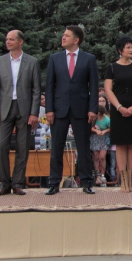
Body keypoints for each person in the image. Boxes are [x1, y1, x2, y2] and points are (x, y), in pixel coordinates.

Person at [45, 26, 99, 195]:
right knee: (56, 148)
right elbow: (49, 86)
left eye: (67, 36)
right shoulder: (54, 58)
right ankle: (54, 182)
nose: (63, 37)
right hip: (59, 109)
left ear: (76, 40)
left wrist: (92, 109)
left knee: (83, 148)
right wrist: (49, 109)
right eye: (63, 35)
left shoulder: (89, 59)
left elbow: (94, 86)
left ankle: (87, 182)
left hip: (81, 109)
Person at [0, 30, 41, 196]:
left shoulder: (32, 62)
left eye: (11, 39)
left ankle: (18, 183)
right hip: (5, 109)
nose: (8, 42)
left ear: (20, 42)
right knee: (1, 145)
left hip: (24, 109)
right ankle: (5, 183)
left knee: (22, 147)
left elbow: (36, 90)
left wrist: (34, 113)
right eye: (7, 39)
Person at [104, 36, 132, 192]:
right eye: (128, 47)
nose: (131, 50)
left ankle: (131, 181)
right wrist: (119, 107)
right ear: (120, 50)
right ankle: (123, 181)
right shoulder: (112, 67)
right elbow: (108, 89)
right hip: (118, 110)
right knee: (121, 144)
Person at [90, 105, 110, 187]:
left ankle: (102, 175)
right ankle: (97, 175)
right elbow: (89, 127)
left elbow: (111, 127)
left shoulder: (107, 119)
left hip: (104, 138)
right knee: (96, 156)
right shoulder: (93, 119)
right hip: (95, 138)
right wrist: (96, 130)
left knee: (102, 157)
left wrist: (104, 131)